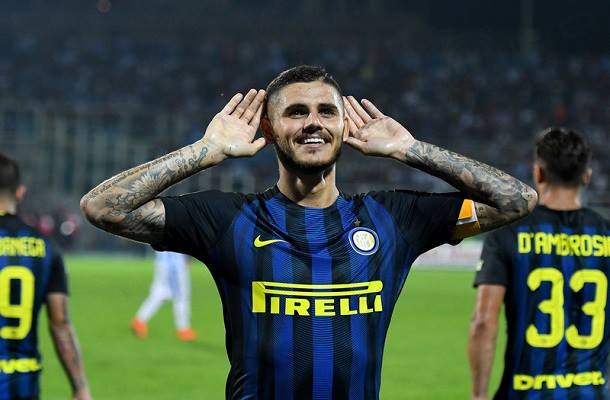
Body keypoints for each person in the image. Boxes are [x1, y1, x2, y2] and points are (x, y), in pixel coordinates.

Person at [81, 65, 537, 399]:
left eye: (326, 111)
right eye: (296, 112)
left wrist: (411, 149)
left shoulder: (393, 218)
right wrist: (205, 151)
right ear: (269, 127)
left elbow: (517, 200)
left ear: (344, 124)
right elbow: (103, 208)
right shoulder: (228, 219)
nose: (313, 122)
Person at [468, 128, 610, 399]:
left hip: (525, 391)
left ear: (538, 173)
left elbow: (484, 321)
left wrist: (479, 395)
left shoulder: (509, 235)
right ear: (587, 177)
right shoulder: (605, 234)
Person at [0, 153, 91, 400]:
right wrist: (80, 387)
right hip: (23, 384)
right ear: (20, 192)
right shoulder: (46, 248)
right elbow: (60, 323)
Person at [130, 250, 197, 341]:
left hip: (162, 262)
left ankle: (139, 320)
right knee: (181, 296)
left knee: (159, 294)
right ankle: (183, 330)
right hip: (175, 264)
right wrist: (187, 258)